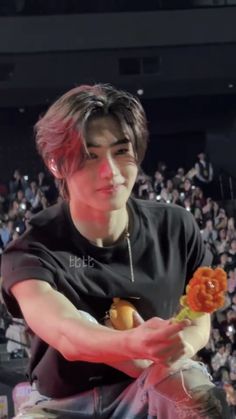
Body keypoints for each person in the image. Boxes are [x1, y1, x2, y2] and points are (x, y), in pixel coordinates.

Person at [1, 84, 230, 418]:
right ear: (56, 164)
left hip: (154, 380)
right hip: (62, 404)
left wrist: (184, 344)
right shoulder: (31, 249)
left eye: (122, 151)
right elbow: (67, 331)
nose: (112, 172)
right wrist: (133, 343)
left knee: (196, 397)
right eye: (90, 156)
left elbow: (198, 319)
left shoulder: (176, 227)